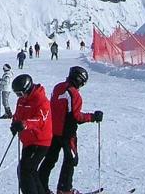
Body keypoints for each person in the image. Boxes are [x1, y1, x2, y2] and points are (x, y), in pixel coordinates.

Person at [39, 66, 103, 194]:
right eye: (83, 82)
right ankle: (65, 189)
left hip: (53, 131)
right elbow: (76, 116)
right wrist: (93, 117)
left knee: (50, 158)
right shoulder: (73, 93)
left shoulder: (58, 87)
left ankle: (40, 186)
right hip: (67, 133)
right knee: (71, 159)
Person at [10, 74, 52, 194]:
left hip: (40, 141)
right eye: (17, 94)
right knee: (29, 170)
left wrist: (24, 124)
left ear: (27, 89)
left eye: (20, 93)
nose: (19, 96)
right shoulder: (22, 101)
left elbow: (40, 120)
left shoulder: (41, 101)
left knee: (26, 171)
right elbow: (18, 115)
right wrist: (15, 124)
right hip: (28, 140)